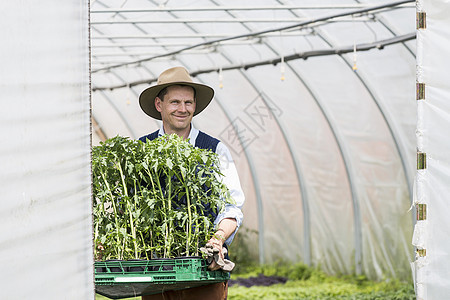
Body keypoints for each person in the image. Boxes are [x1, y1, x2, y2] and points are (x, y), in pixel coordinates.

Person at [138, 66, 245, 300]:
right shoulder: (141, 151)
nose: (183, 109)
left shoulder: (215, 150)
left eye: (188, 102)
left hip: (203, 271)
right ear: (159, 105)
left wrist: (217, 239)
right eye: (175, 102)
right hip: (156, 274)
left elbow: (232, 207)